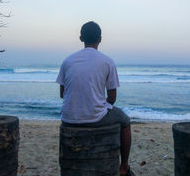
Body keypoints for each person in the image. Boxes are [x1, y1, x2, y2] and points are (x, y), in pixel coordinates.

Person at [56, 21, 135, 176]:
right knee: (125, 121)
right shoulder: (107, 61)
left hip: (68, 118)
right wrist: (96, 104)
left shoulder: (67, 60)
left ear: (81, 38)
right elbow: (112, 98)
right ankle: (124, 167)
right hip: (95, 117)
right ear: (100, 39)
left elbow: (62, 94)